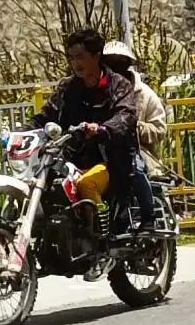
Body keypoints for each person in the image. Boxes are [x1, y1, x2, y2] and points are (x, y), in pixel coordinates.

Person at [29, 28, 156, 236]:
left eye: (80, 56)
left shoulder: (119, 86)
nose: (75, 63)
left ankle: (100, 234)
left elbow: (125, 116)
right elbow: (46, 115)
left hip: (111, 159)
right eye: (71, 58)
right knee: (49, 186)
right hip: (73, 158)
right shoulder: (67, 88)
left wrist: (103, 129)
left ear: (96, 56)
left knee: (87, 184)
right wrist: (22, 132)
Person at [101, 39, 168, 178]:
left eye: (120, 64)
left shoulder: (145, 94)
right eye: (109, 63)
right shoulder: (94, 92)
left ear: (127, 65)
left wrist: (135, 127)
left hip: (139, 159)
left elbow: (159, 130)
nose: (114, 69)